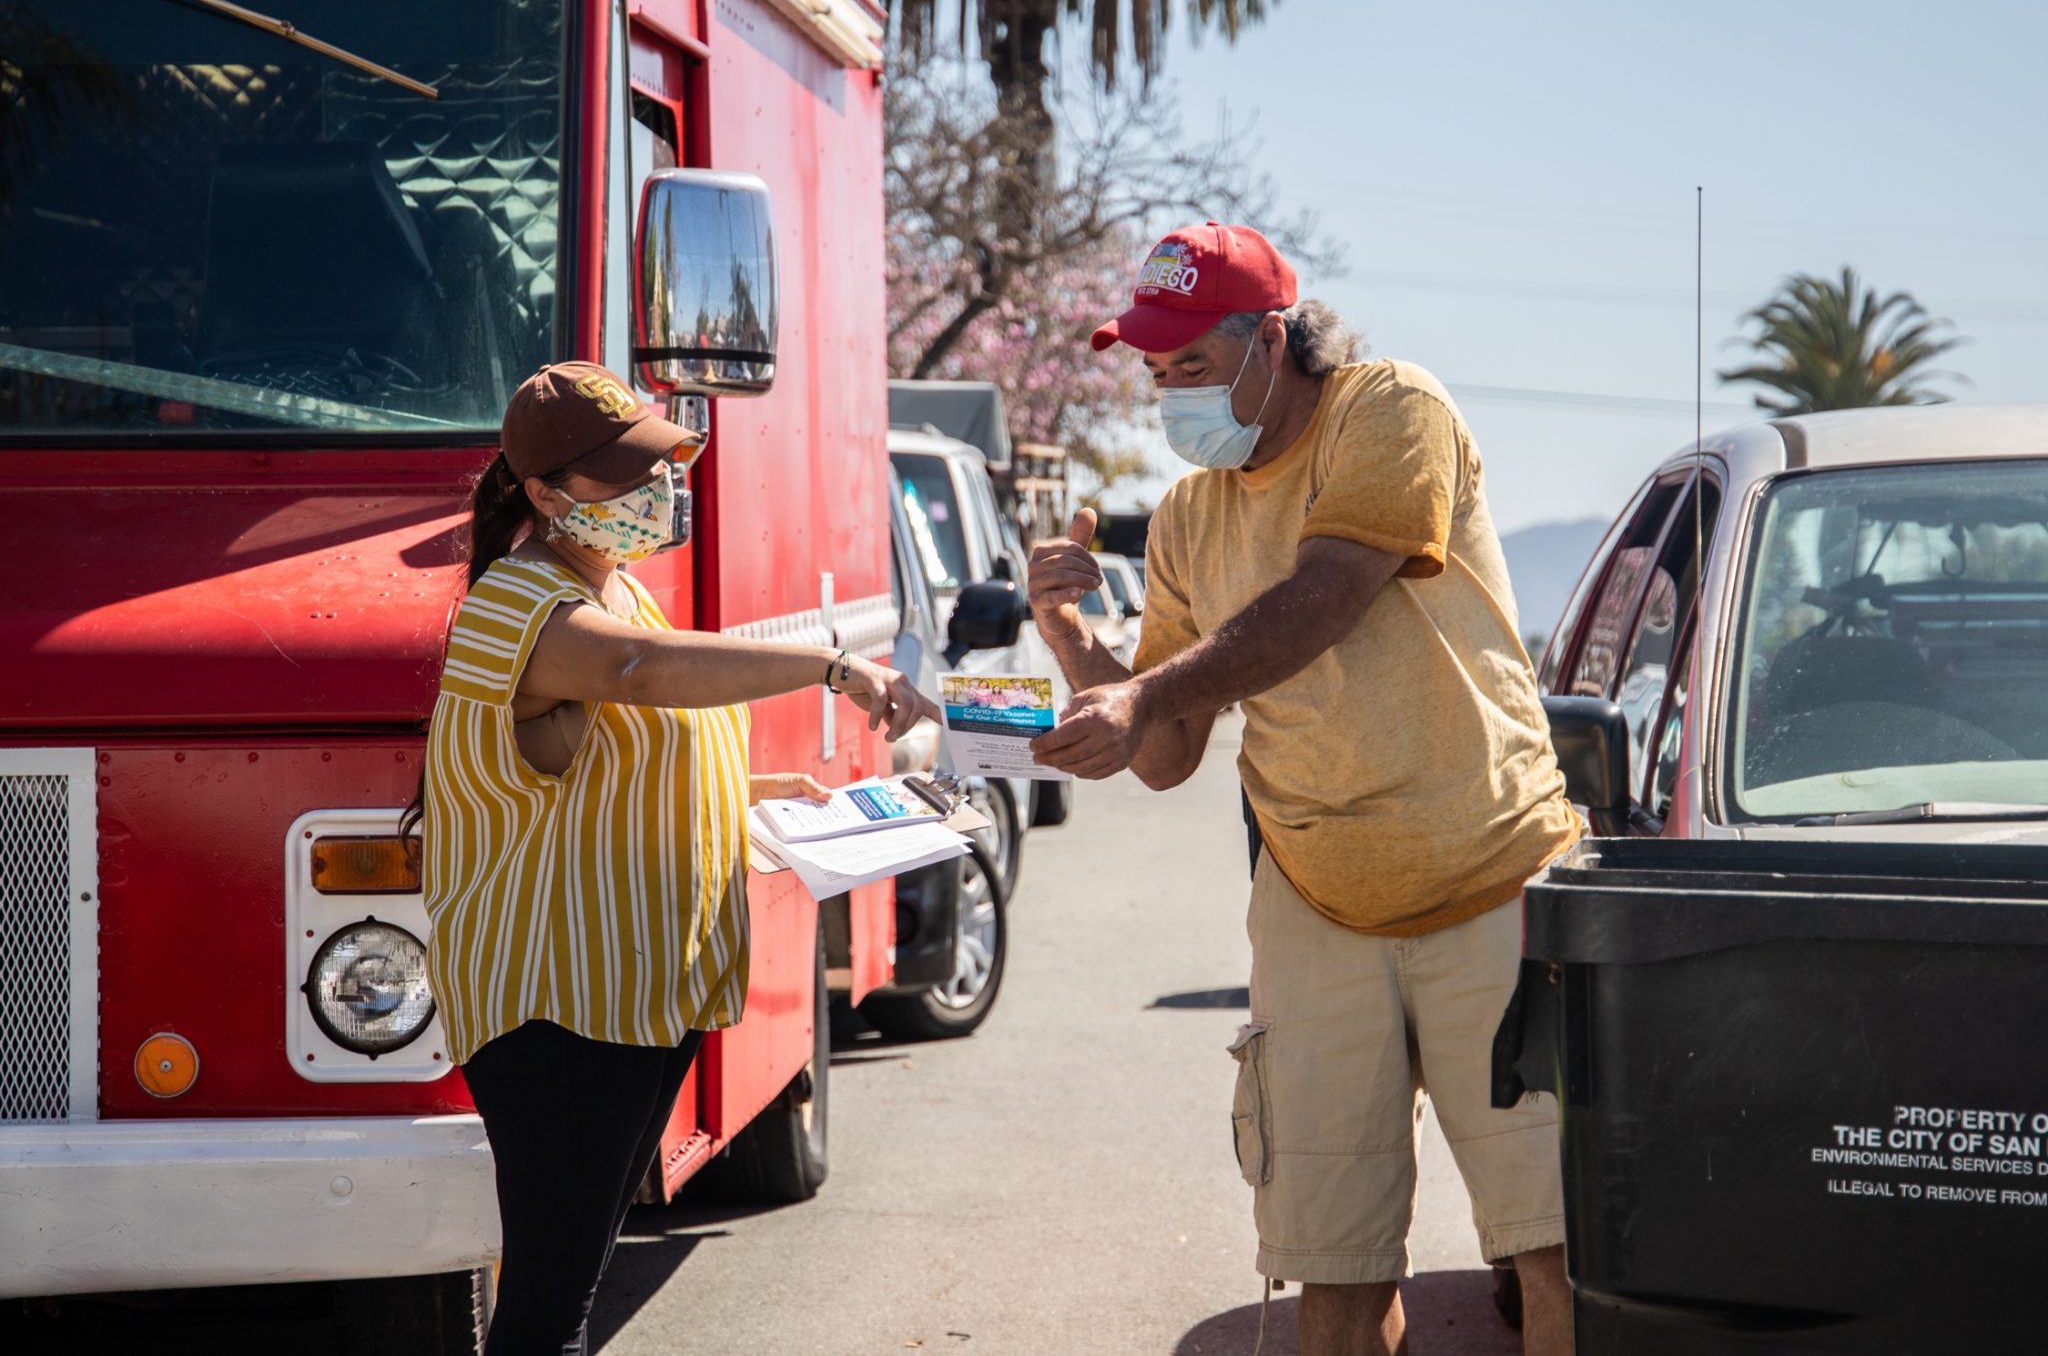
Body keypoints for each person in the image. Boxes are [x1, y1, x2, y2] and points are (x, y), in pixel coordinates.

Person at [1026, 225, 1582, 1356]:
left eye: (1187, 367)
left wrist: (1140, 696)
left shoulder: (1388, 408)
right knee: (1329, 1272)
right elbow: (1167, 749)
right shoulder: (1189, 514)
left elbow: (1322, 596)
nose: (1165, 395)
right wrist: (1072, 638)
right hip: (1315, 908)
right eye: (1152, 372)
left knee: (1558, 1259)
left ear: (1270, 343)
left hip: (1495, 886)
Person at [406, 362, 939, 1355]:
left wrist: (766, 798)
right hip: (558, 1007)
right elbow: (634, 676)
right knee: (548, 1308)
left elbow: (609, 774)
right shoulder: (517, 607)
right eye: (623, 478)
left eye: (656, 466)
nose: (654, 492)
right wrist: (835, 667)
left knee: (568, 1286)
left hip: (636, 997)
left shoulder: (617, 595)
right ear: (542, 496)